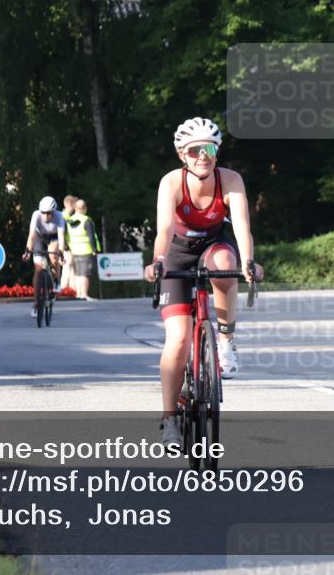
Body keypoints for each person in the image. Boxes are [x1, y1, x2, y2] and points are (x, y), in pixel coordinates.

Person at [143, 117, 263, 447]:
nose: (202, 156)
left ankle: (225, 340)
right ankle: (169, 419)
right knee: (179, 340)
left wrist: (249, 262)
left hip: (213, 246)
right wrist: (158, 261)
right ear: (182, 154)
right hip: (177, 254)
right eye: (195, 150)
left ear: (217, 152)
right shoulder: (172, 182)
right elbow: (164, 229)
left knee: (226, 263)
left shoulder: (230, 180)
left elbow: (242, 227)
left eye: (209, 149)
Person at [21, 196, 66, 316]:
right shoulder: (36, 215)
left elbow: (61, 237)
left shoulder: (59, 216)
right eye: (43, 213)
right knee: (38, 269)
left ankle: (56, 280)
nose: (45, 216)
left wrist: (61, 254)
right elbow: (31, 235)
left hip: (54, 237)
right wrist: (27, 251)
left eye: (49, 213)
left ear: (54, 211)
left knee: (53, 254)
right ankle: (36, 303)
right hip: (39, 238)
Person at [66, 199, 101, 300]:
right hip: (86, 251)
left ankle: (78, 294)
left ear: (75, 208)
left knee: (77, 274)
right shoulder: (86, 220)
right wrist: (94, 249)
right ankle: (84, 294)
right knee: (84, 274)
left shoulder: (70, 220)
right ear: (85, 208)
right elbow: (91, 236)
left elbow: (67, 235)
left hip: (74, 251)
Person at [59, 195, 77, 291]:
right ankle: (63, 291)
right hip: (67, 248)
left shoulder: (68, 216)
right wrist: (66, 247)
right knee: (67, 269)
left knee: (72, 270)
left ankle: (72, 291)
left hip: (71, 248)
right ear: (70, 204)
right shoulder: (63, 217)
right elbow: (62, 234)